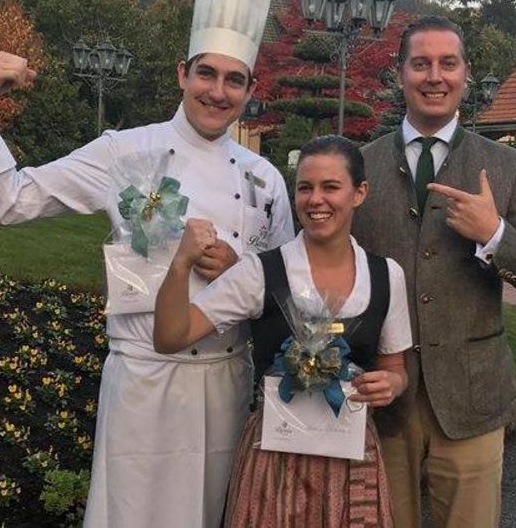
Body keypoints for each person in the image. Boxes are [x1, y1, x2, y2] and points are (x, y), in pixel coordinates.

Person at [0, 0, 295, 528]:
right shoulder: (123, 152)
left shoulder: (264, 178)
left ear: (250, 91)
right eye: (206, 73)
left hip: (228, 381)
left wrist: (241, 269)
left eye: (234, 80)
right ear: (182, 74)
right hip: (143, 381)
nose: (217, 91)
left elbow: (288, 293)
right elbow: (5, 201)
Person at [350, 17, 516, 528]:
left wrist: (495, 233)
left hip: (472, 400)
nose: (435, 76)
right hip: (382, 397)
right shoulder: (361, 166)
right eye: (421, 64)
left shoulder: (507, 166)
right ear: (400, 73)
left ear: (466, 74)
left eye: (447, 63)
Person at [154, 136, 413, 527]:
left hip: (352, 458)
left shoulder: (386, 275)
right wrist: (180, 264)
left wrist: (392, 384)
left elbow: (396, 369)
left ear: (359, 193)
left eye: (330, 187)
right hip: (274, 461)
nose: (315, 200)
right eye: (305, 188)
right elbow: (171, 336)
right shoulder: (261, 272)